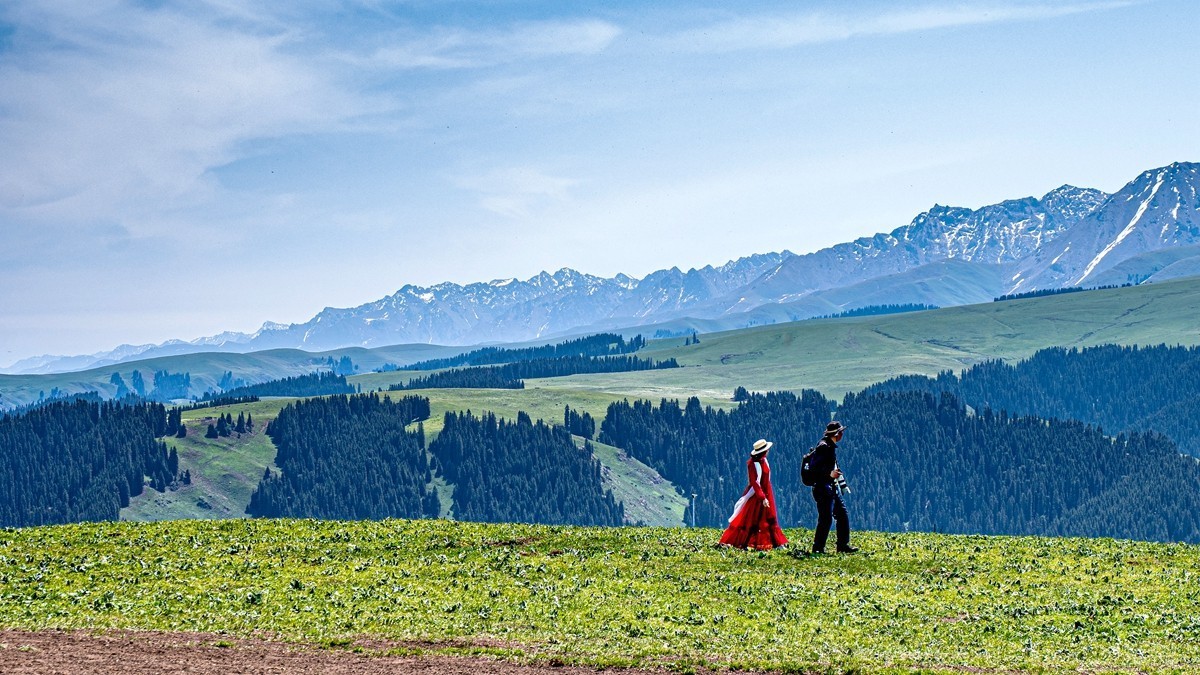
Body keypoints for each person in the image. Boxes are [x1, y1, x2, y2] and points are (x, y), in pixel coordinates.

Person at [719, 439, 789, 550]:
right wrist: (762, 498)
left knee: (770, 517)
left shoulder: (764, 461)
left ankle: (776, 543)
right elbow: (755, 483)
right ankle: (743, 543)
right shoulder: (753, 464)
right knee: (752, 519)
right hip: (757, 495)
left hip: (766, 492)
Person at [809, 421, 858, 554]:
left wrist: (842, 484)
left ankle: (842, 545)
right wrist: (829, 474)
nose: (842, 434)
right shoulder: (823, 447)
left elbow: (833, 467)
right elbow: (814, 468)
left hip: (830, 487)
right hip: (823, 488)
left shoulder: (829, 446)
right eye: (841, 432)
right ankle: (818, 548)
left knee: (841, 515)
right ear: (836, 434)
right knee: (826, 518)